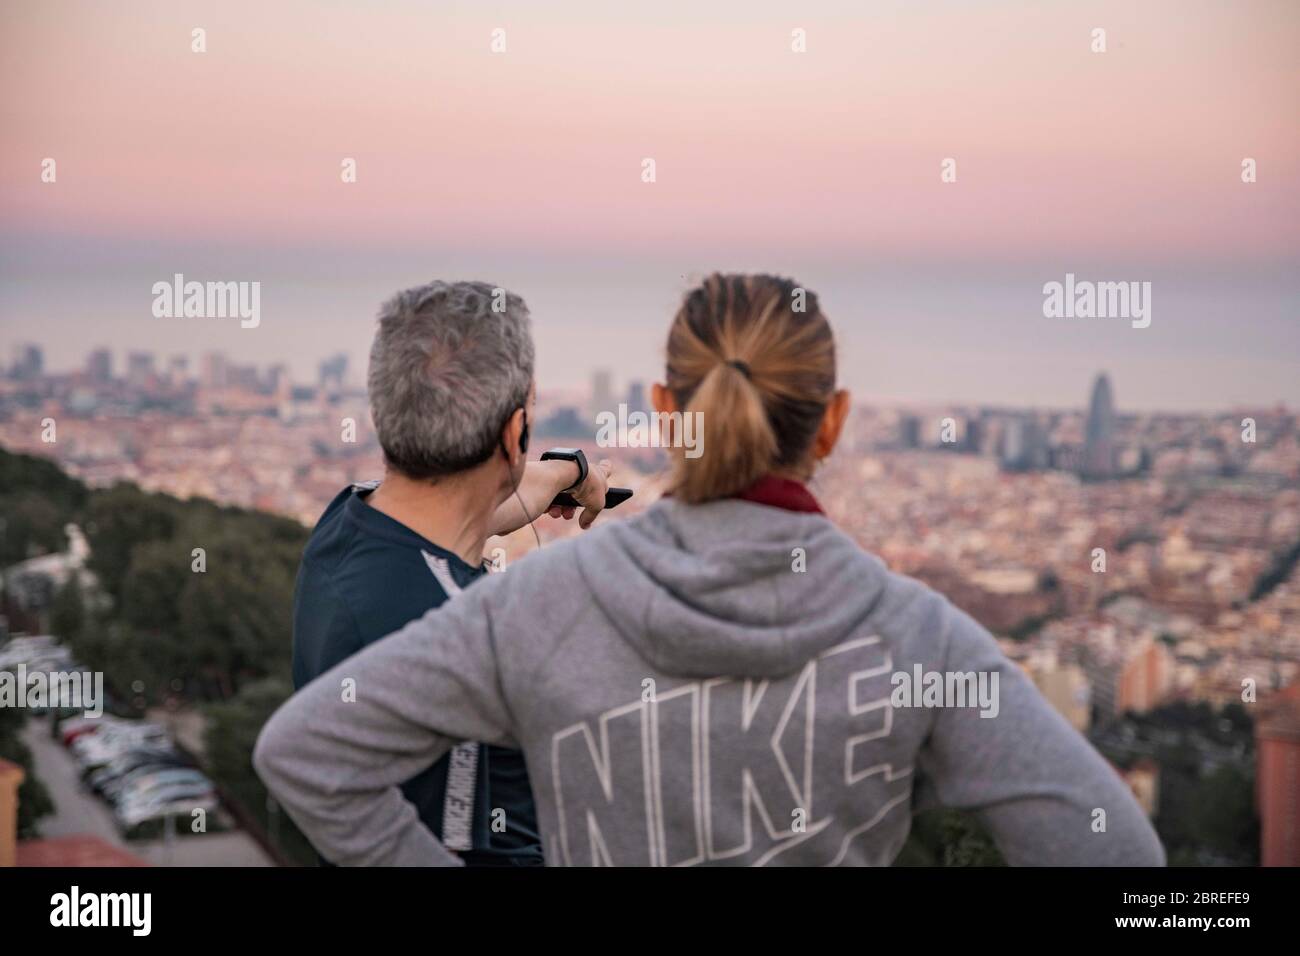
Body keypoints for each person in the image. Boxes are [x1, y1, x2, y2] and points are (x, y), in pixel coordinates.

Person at [258, 273, 1165, 867]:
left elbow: (307, 754)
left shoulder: (540, 605)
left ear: (665, 410)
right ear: (835, 421)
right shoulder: (914, 636)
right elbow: (1120, 857)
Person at [288, 279, 610, 866]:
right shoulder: (458, 632)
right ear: (514, 434)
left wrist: (568, 474)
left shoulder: (344, 523)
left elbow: (461, 515)